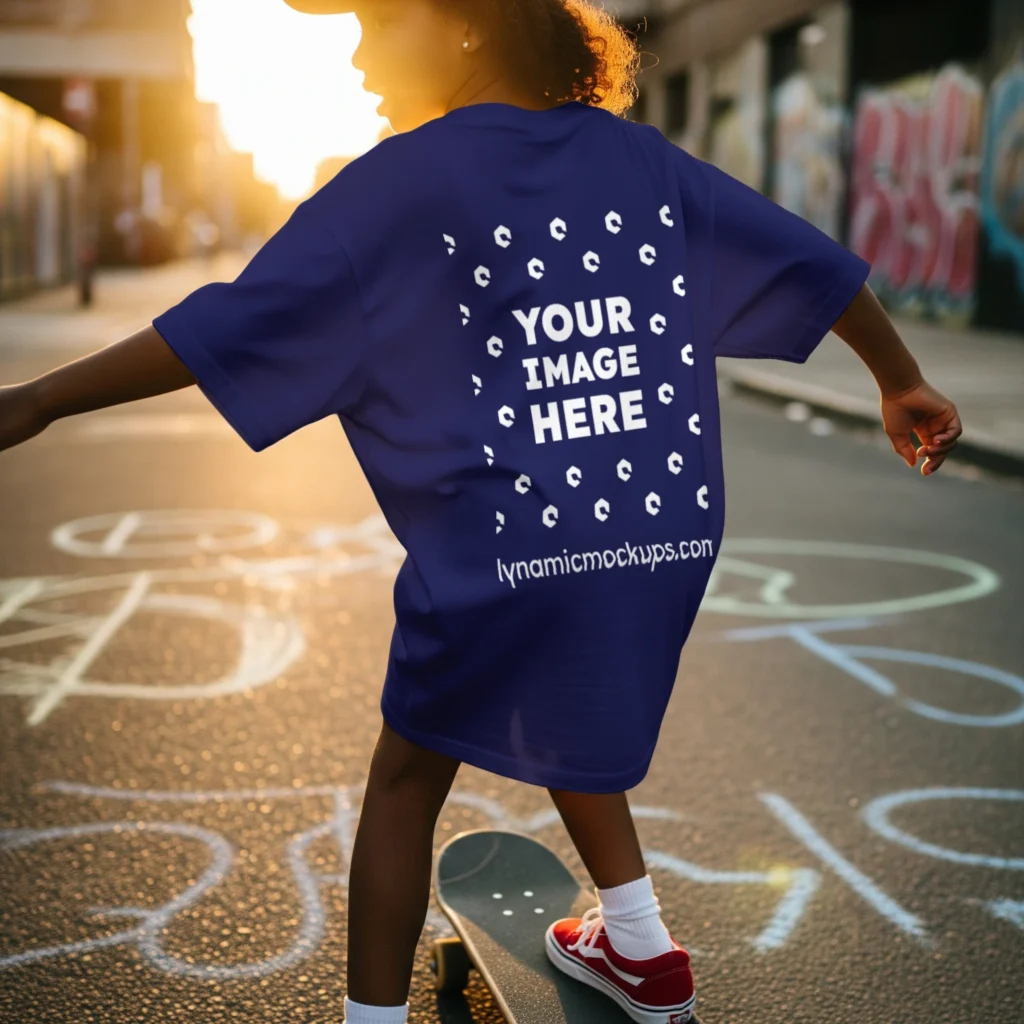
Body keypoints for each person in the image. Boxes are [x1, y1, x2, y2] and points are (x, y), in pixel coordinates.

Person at [0, 1, 963, 1022]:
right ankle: (638, 947)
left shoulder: (396, 183)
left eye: (375, 25)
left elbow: (229, 327)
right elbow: (809, 264)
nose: (360, 55)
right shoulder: (639, 161)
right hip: (657, 533)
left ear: (464, 27)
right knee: (559, 690)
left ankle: (370, 1019)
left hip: (510, 547)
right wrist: (899, 380)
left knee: (407, 778)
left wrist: (44, 397)